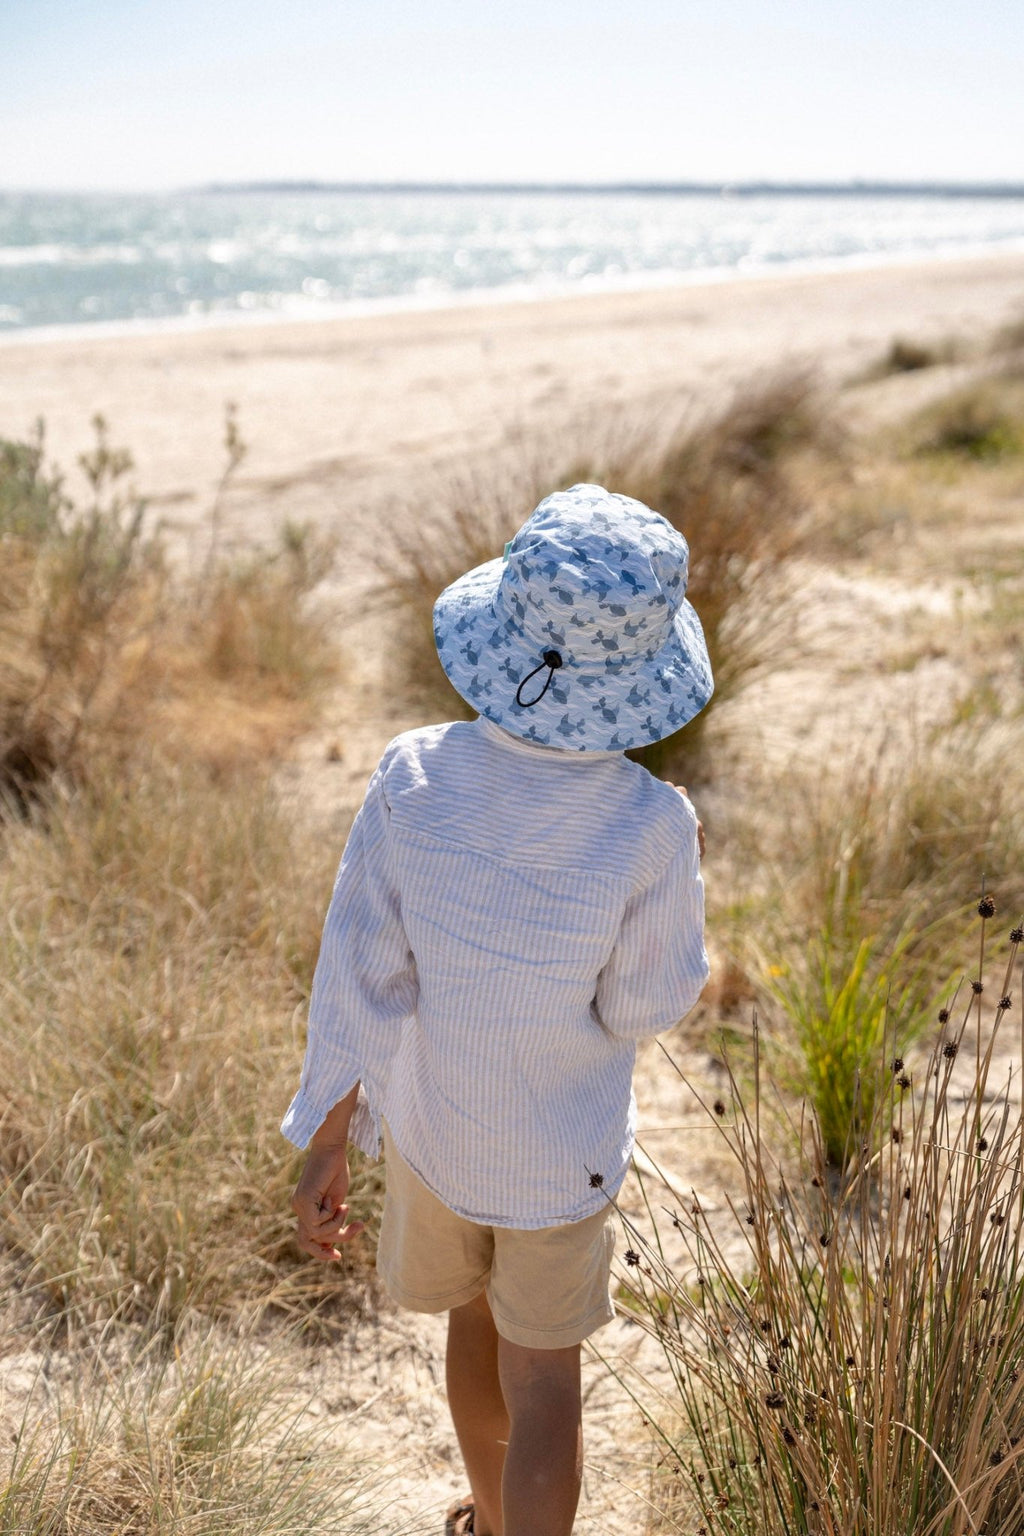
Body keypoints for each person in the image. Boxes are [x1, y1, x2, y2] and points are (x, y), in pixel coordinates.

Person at [283, 483, 713, 1536]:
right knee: (548, 1385)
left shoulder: (413, 778)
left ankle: (484, 1514)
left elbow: (359, 974)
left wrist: (326, 1139)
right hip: (558, 1157)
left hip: (438, 1139)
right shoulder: (651, 825)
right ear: (640, 674)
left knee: (469, 1333)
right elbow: (646, 1003)